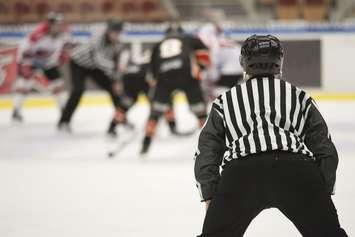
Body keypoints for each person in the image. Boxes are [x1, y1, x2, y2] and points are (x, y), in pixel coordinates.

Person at [194, 34, 347, 237]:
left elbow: (207, 150)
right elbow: (325, 147)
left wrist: (210, 194)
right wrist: (321, 190)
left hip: (241, 174)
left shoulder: (225, 101)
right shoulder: (299, 96)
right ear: (279, 61)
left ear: (244, 62)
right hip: (296, 170)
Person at [140, 23, 210, 154]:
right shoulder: (189, 38)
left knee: (155, 112)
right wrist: (200, 68)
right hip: (186, 74)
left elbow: (152, 72)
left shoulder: (158, 44)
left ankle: (146, 142)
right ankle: (212, 143)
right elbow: (205, 55)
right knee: (200, 111)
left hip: (164, 77)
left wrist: (157, 87)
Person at [58, 19, 125, 132]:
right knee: (78, 91)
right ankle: (64, 122)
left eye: (118, 33)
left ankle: (121, 118)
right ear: (108, 31)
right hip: (79, 63)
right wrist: (114, 70)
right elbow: (99, 60)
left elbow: (115, 63)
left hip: (94, 67)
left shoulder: (117, 44)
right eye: (114, 32)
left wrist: (116, 79)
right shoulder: (98, 39)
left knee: (113, 90)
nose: (116, 35)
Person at [12, 12, 71, 122]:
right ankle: (16, 110)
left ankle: (64, 111)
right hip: (30, 61)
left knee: (58, 84)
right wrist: (24, 64)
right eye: (56, 24)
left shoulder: (64, 34)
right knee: (24, 85)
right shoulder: (37, 33)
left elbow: (64, 49)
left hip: (48, 62)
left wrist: (63, 55)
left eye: (60, 24)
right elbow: (23, 48)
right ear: (49, 24)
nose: (58, 27)